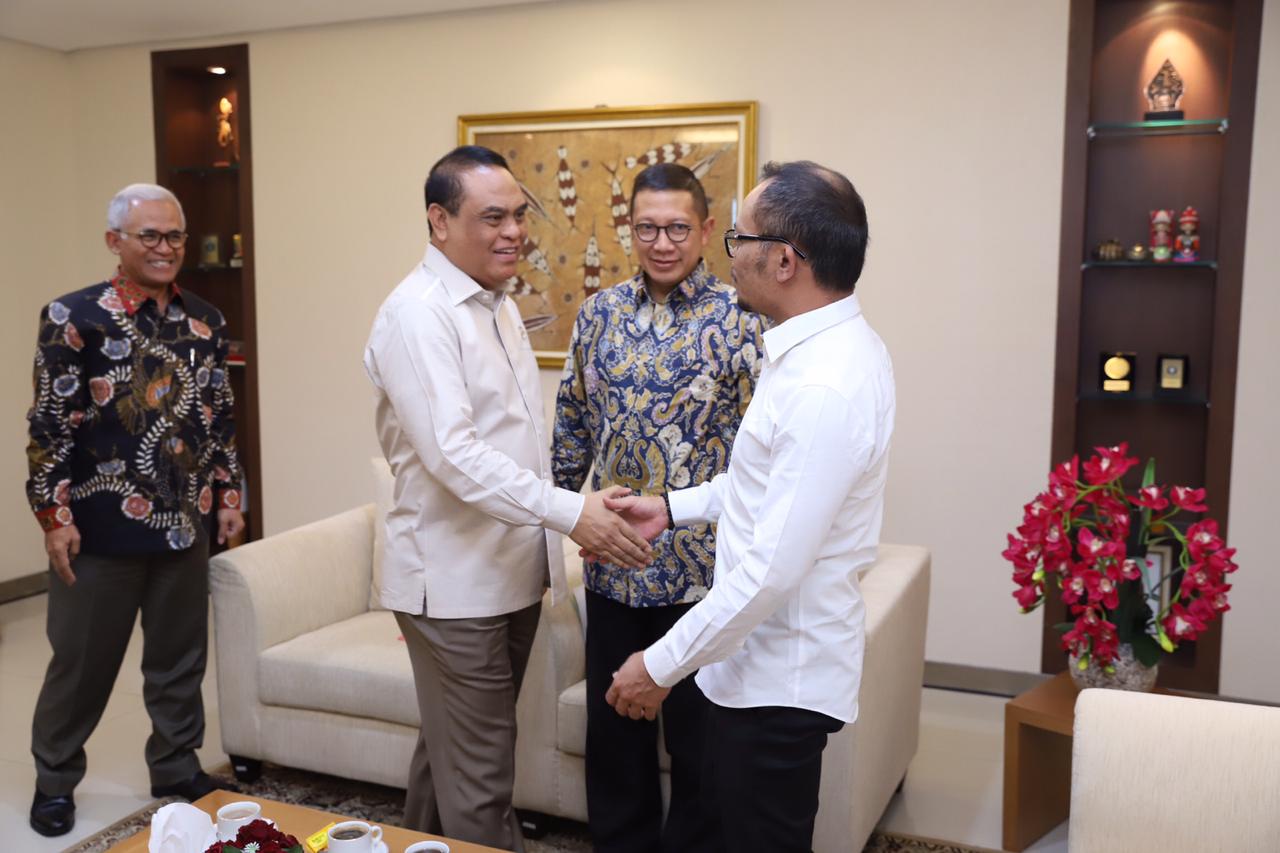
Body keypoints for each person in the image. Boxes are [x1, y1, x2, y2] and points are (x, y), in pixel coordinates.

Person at [362, 145, 652, 851]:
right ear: (439, 221)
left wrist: (573, 516)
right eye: (492, 217)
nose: (513, 232)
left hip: (509, 575)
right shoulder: (419, 315)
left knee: (452, 755)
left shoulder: (495, 304)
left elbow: (518, 441)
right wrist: (568, 509)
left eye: (520, 215)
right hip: (454, 584)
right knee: (483, 780)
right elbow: (454, 456)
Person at [604, 160, 895, 852]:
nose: (728, 257)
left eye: (738, 240)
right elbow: (761, 485)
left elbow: (771, 567)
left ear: (786, 259)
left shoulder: (826, 382)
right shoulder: (812, 350)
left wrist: (658, 664)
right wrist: (671, 509)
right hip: (751, 672)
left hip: (778, 684)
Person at [553, 163, 763, 853]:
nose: (662, 242)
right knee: (615, 742)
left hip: (706, 575)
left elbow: (765, 450)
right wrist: (562, 509)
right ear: (629, 229)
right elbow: (573, 422)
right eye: (647, 227)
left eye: (677, 227)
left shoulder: (741, 317)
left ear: (706, 230)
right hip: (614, 565)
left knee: (702, 751)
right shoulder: (600, 313)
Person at [26, 183, 246, 837]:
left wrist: (229, 497)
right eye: (149, 235)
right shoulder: (74, 317)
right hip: (97, 531)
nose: (164, 247)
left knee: (179, 660)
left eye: (174, 235)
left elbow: (220, 416)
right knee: (80, 664)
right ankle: (55, 779)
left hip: (185, 521)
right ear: (115, 241)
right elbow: (49, 425)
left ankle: (176, 767)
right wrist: (54, 515)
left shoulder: (206, 319)